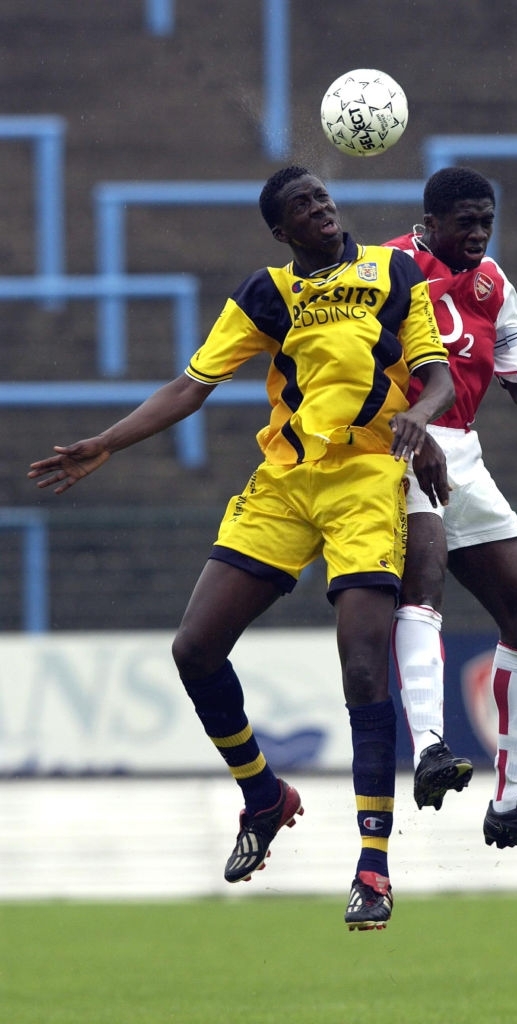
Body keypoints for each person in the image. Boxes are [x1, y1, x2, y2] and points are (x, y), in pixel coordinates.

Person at [28, 165, 454, 929]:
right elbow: (189, 386)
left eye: (322, 196)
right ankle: (263, 794)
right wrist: (108, 444)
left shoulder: (391, 271)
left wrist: (419, 417)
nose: (319, 207)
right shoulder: (267, 293)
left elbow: (436, 377)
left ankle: (373, 869)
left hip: (364, 479)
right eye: (302, 205)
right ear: (281, 231)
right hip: (286, 483)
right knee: (193, 649)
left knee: (361, 662)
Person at [383, 166, 517, 868]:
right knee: (424, 585)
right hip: (399, 443)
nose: (476, 234)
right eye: (464, 222)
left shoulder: (494, 284)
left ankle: (511, 806)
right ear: (431, 221)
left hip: (463, 451)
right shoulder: (386, 269)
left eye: (486, 222)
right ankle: (430, 750)